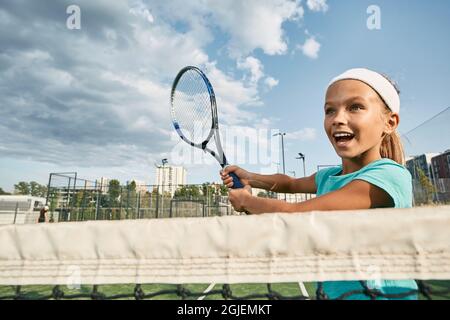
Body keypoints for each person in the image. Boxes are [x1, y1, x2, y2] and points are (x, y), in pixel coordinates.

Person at [220, 68, 417, 300]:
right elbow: (291, 183)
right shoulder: (329, 176)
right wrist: (250, 177)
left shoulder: (388, 175)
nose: (338, 119)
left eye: (355, 107)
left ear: (390, 122)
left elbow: (299, 213)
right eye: (329, 110)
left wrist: (247, 201)